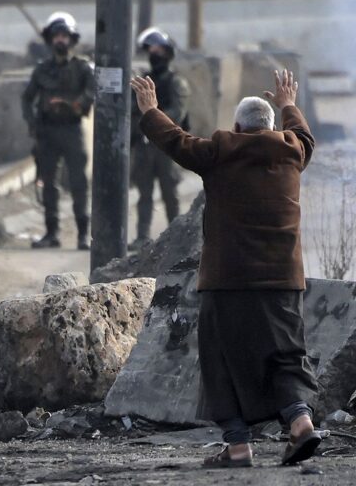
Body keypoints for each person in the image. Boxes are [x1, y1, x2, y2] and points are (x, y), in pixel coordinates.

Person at [131, 70, 320, 467]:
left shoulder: (219, 152)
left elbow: (176, 140)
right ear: (273, 128)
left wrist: (150, 111)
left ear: (237, 128)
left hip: (228, 279)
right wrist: (288, 103)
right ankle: (300, 421)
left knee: (220, 360)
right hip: (283, 280)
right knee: (286, 355)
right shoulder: (293, 152)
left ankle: (237, 446)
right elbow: (304, 134)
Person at [22, 12, 95, 250]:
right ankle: (51, 233)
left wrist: (75, 105)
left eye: (64, 36)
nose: (60, 40)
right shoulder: (42, 70)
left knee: (78, 183)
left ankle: (83, 234)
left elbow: (92, 91)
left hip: (72, 129)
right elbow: (27, 98)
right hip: (48, 132)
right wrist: (33, 124)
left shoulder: (82, 67)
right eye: (56, 36)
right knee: (49, 183)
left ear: (71, 39)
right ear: (50, 39)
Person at [130, 28, 190, 250]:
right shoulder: (145, 82)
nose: (154, 54)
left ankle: (177, 238)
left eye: (159, 50)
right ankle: (142, 237)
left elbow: (177, 113)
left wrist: (153, 115)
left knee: (170, 194)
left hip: (168, 145)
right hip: (145, 145)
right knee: (144, 194)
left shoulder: (176, 83)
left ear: (168, 53)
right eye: (151, 50)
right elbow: (132, 112)